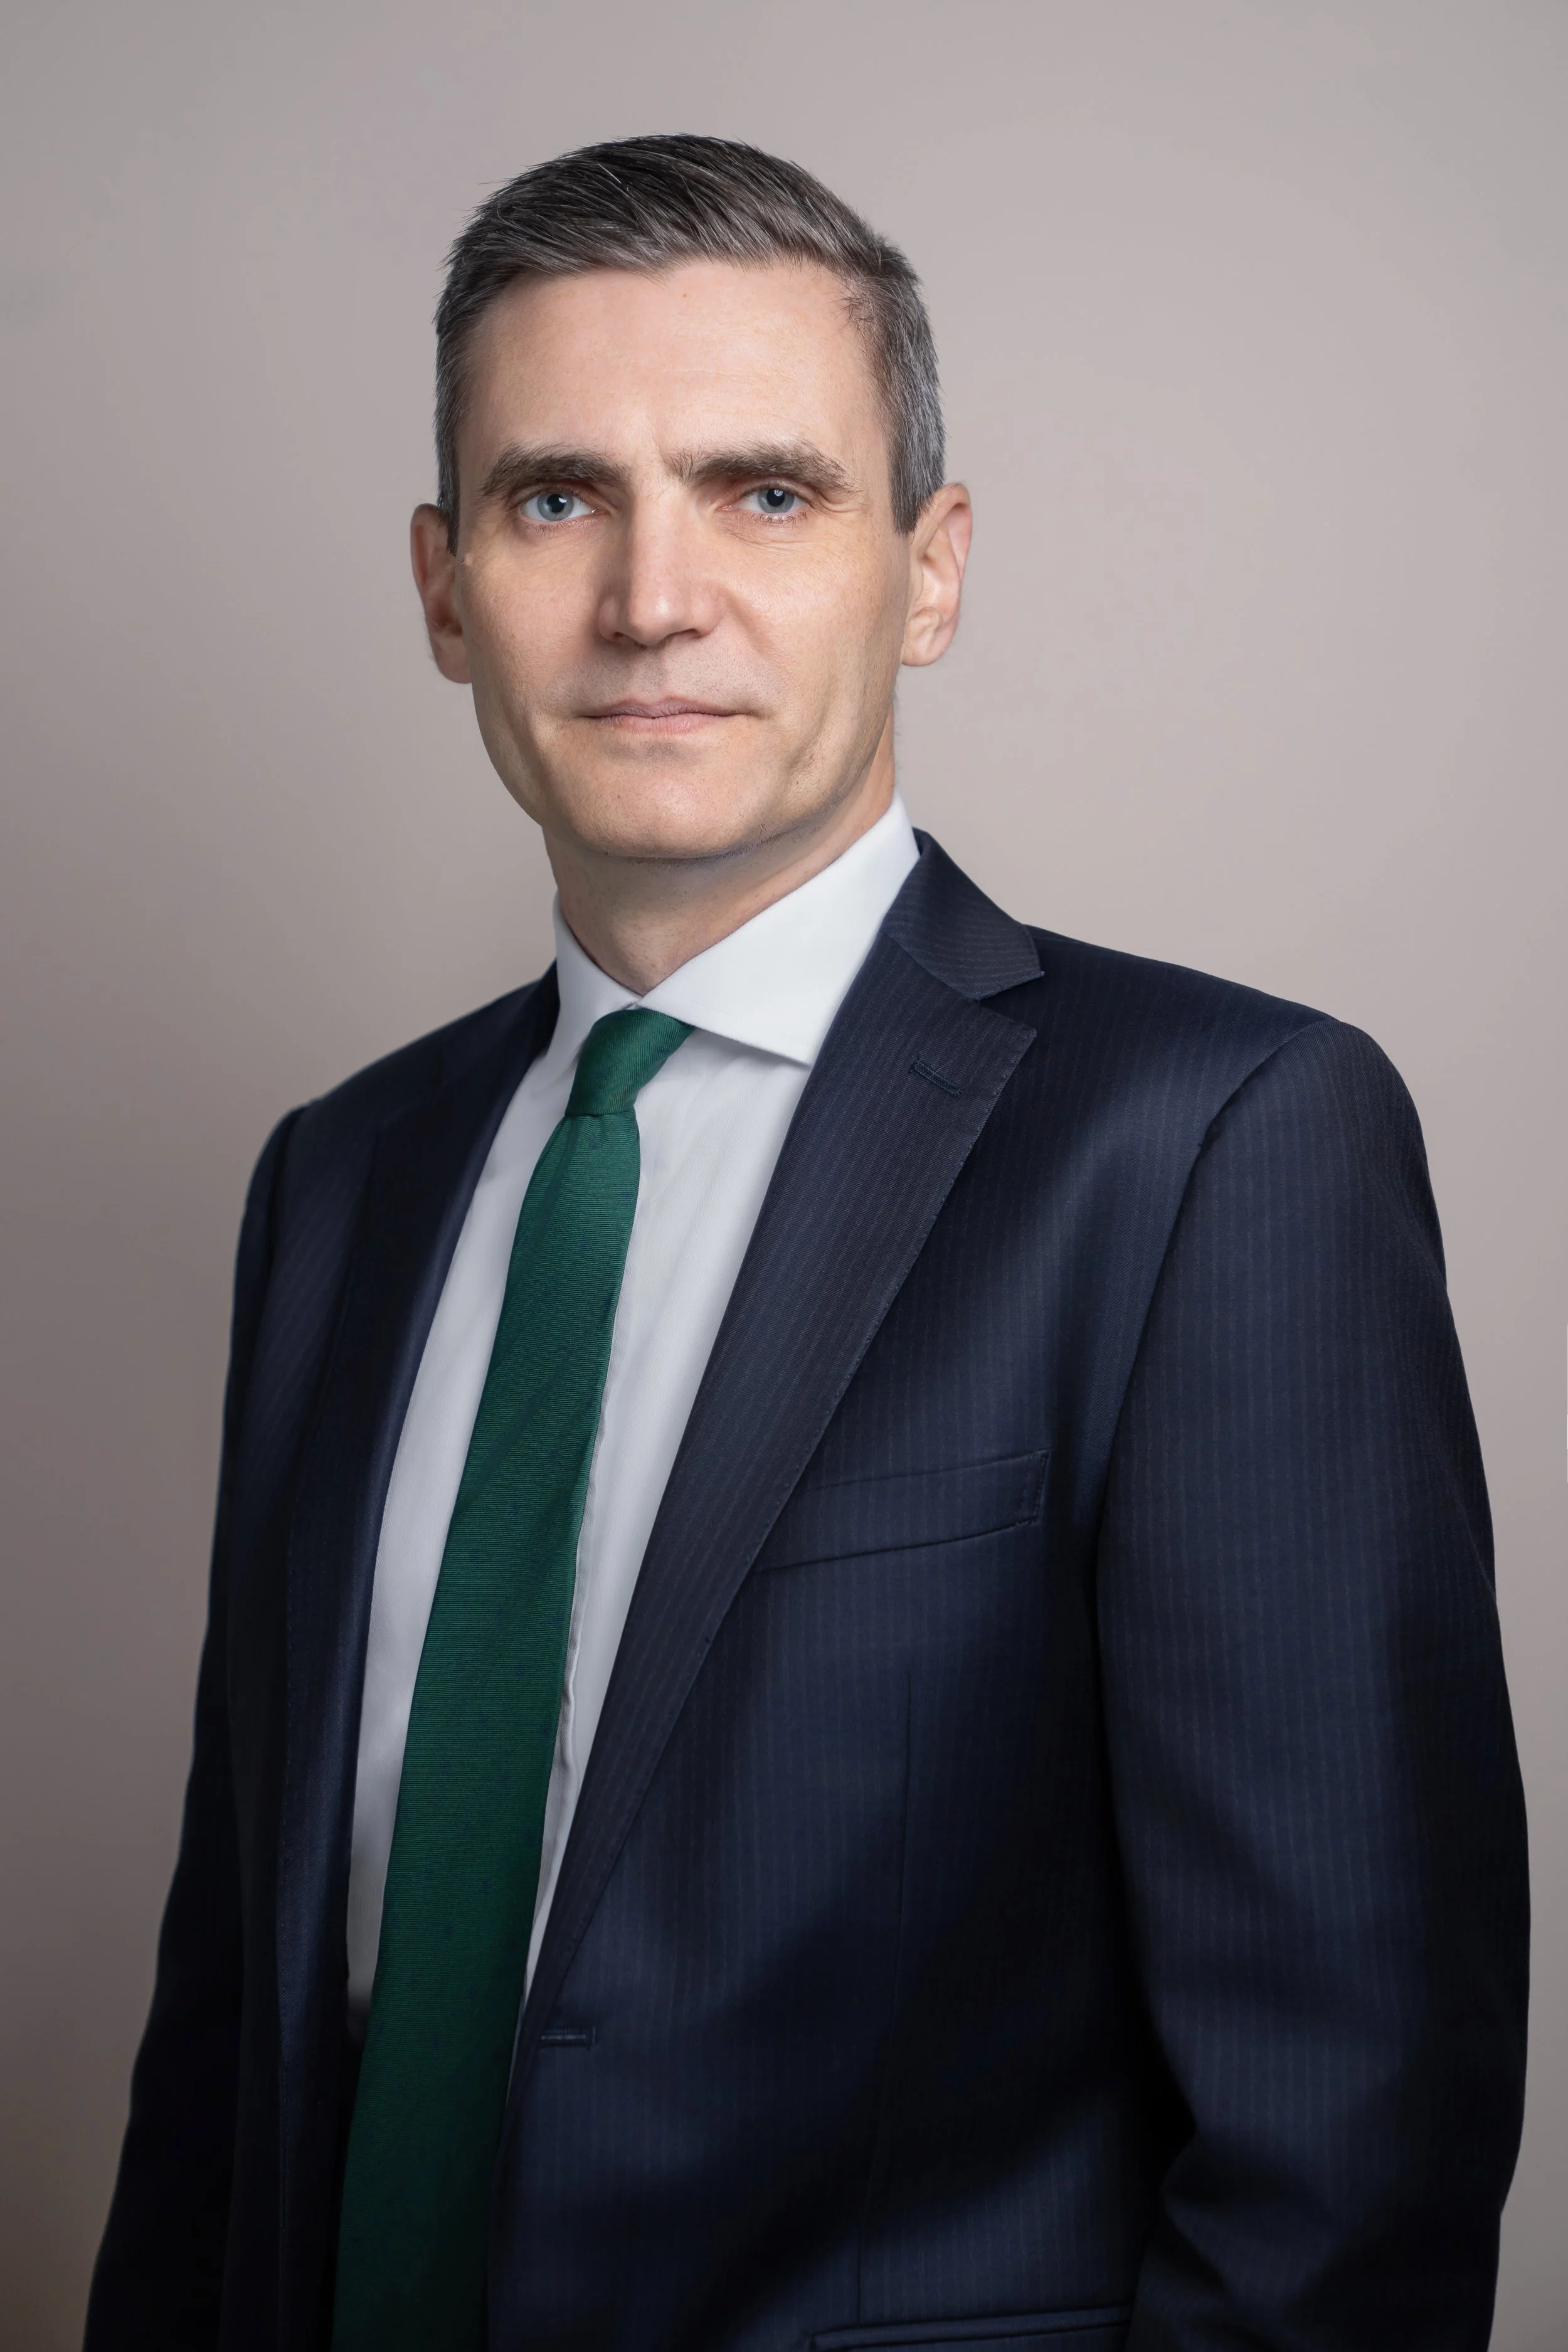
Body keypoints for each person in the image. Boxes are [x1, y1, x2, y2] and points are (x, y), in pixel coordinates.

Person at [85, 135, 1528, 2352]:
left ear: (927, 572)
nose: (652, 598)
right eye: (555, 498)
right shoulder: (340, 1182)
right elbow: (233, 2044)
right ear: (445, 589)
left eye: (764, 492)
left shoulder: (1212, 1143)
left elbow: (1352, 2134)